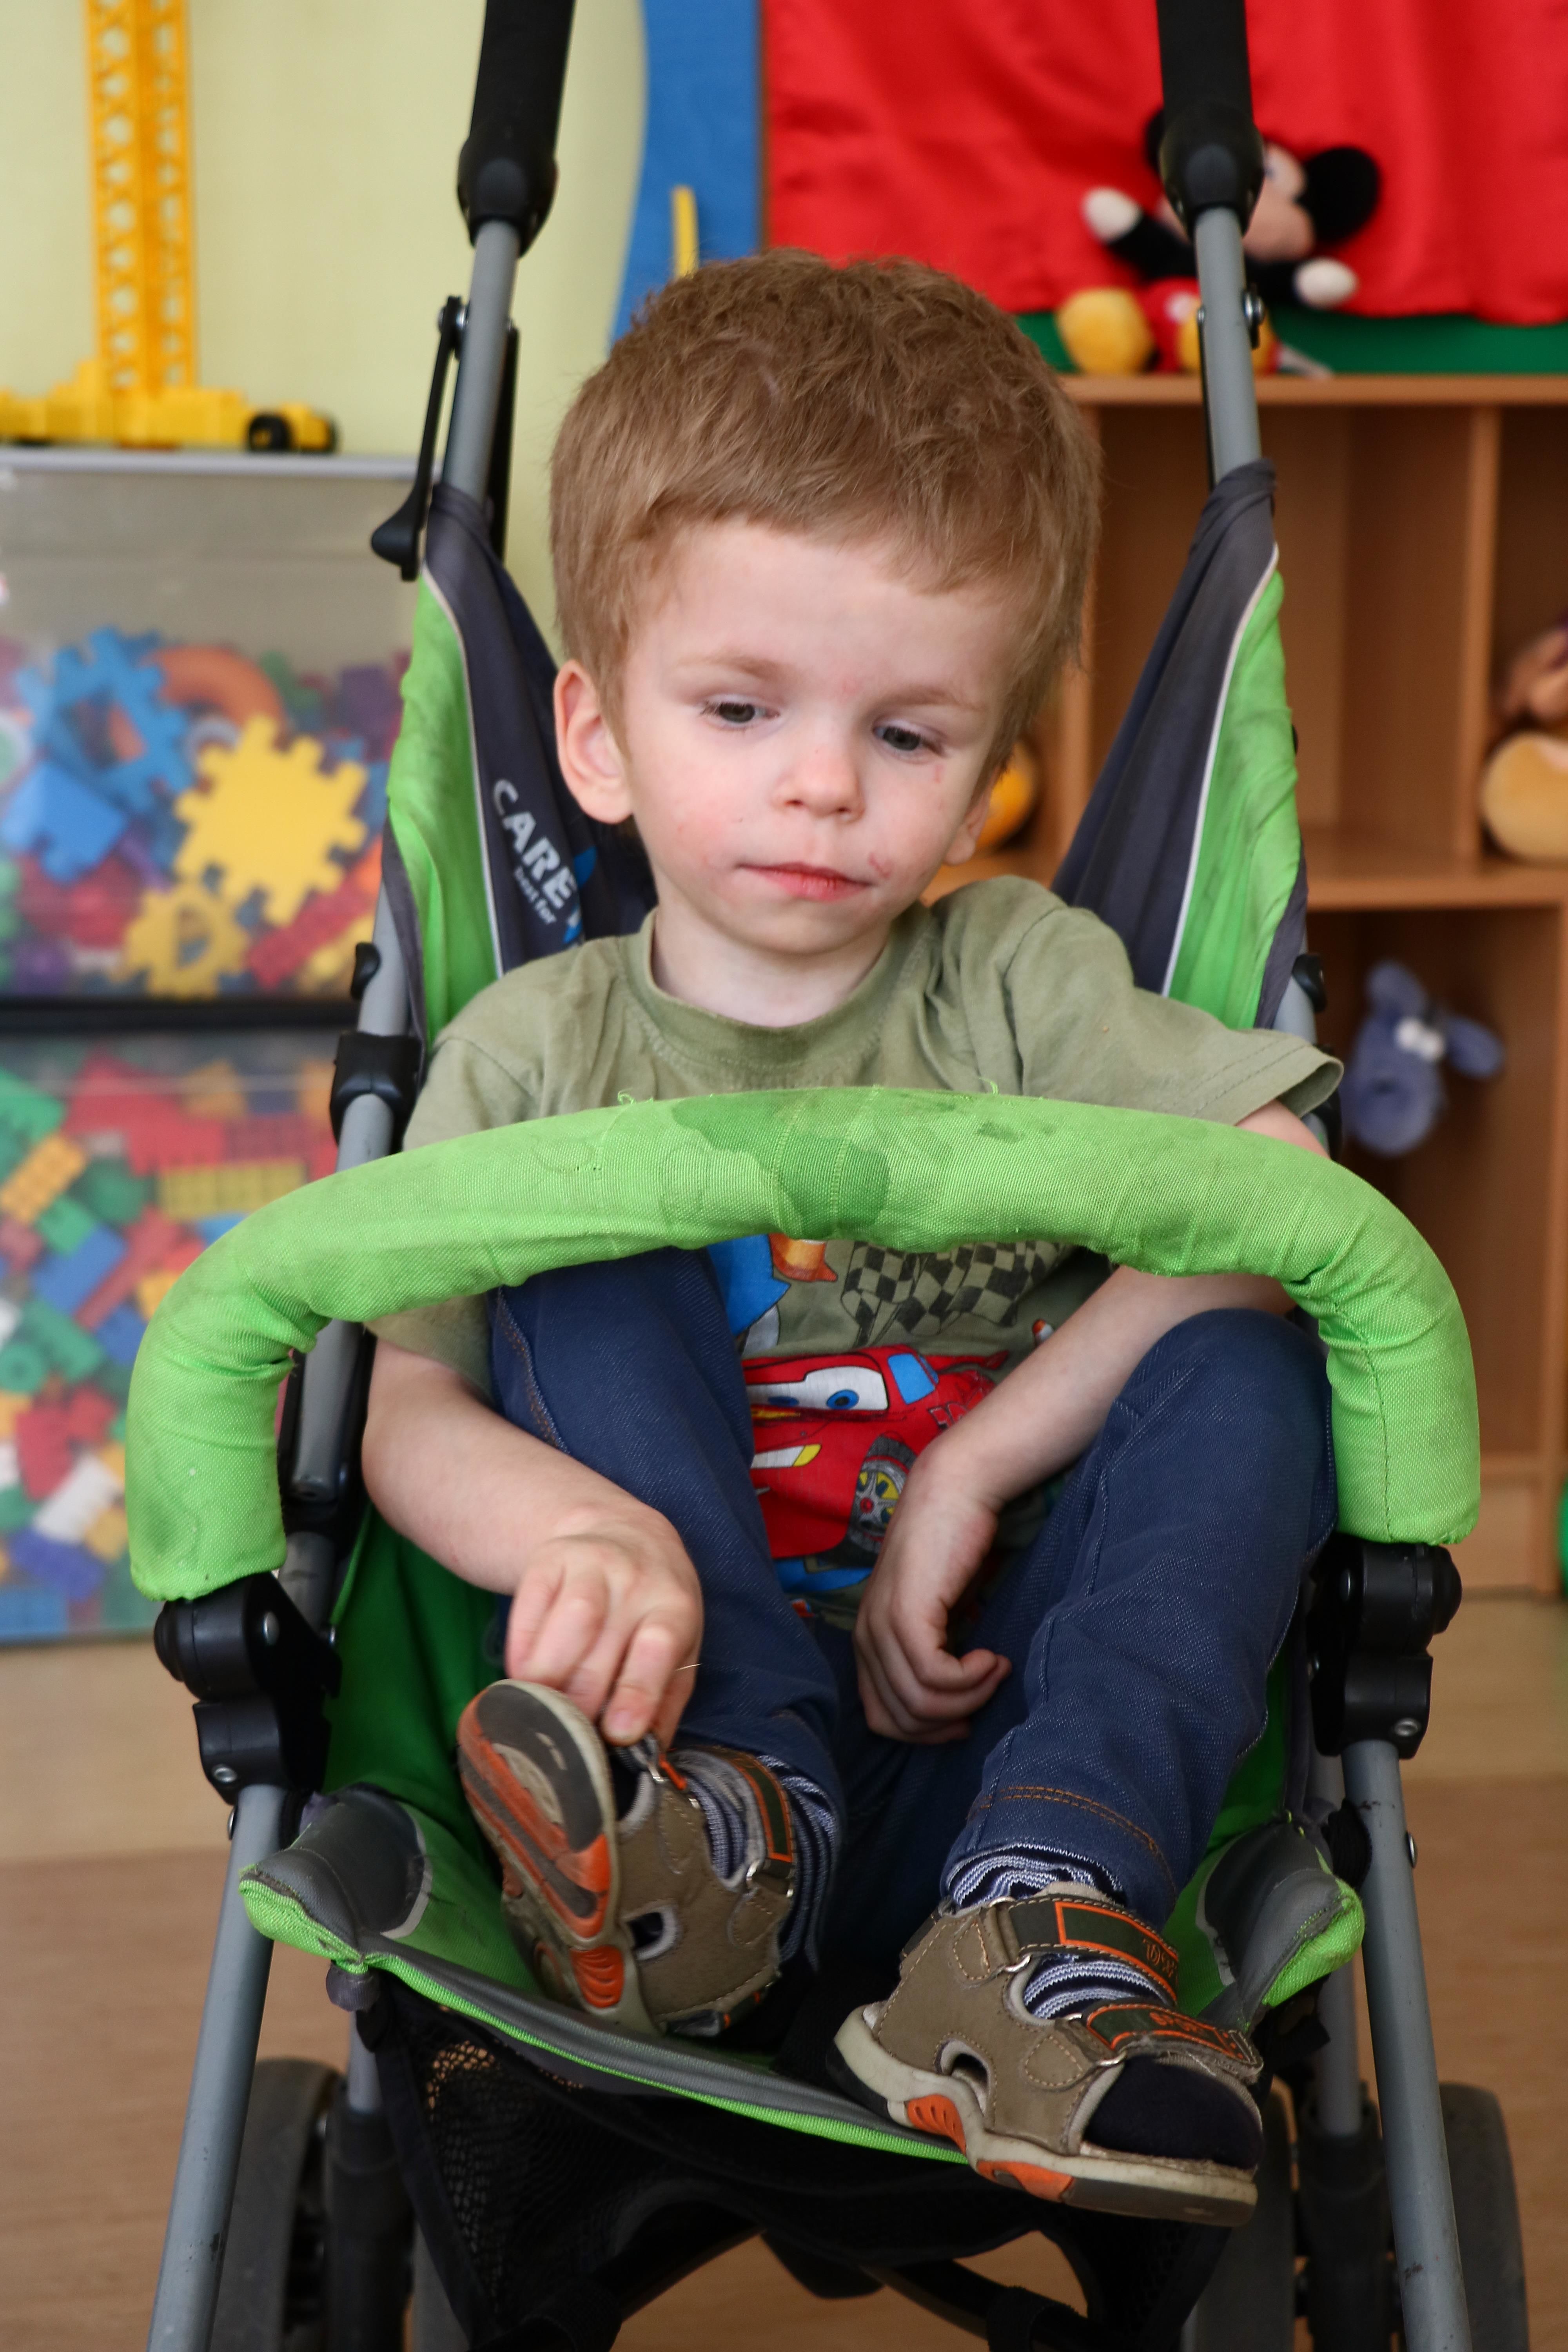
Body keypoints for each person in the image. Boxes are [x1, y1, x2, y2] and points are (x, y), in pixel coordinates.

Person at [361, 250, 1339, 2225]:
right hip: (663, 1786)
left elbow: (1275, 1193)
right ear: (595, 734)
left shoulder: (1017, 982)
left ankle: (1038, 1926)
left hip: (1001, 1732)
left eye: (907, 735)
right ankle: (740, 1835)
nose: (821, 782)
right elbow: (392, 1400)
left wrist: (981, 1461)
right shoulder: (535, 1049)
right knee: (583, 1228)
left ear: (987, 767)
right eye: (741, 707)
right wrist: (583, 1531)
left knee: (1251, 1339)